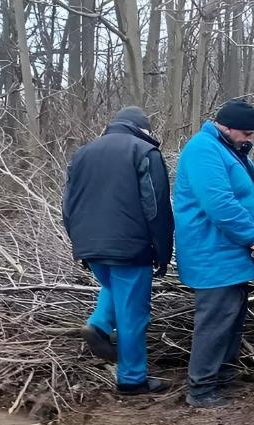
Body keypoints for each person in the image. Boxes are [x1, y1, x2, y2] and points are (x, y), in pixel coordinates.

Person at [173, 100, 254, 408]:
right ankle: (201, 390)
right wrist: (252, 238)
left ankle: (224, 379)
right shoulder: (203, 150)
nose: (250, 139)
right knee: (215, 322)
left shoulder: (231, 150)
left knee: (231, 320)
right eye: (246, 132)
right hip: (212, 252)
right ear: (226, 127)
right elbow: (219, 203)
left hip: (231, 253)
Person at [62, 106, 174, 395]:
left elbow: (68, 206)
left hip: (90, 244)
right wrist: (163, 251)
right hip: (130, 245)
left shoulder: (81, 154)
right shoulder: (144, 152)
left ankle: (99, 325)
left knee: (116, 291)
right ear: (143, 130)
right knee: (133, 313)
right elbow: (156, 208)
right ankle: (132, 379)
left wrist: (80, 242)